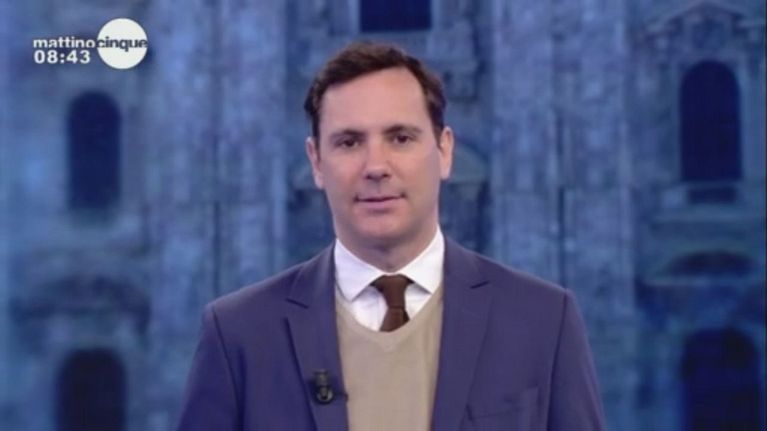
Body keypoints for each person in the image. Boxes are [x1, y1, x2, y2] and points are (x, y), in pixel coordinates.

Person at [177, 41, 605, 430]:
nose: (376, 167)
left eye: (400, 138)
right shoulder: (237, 334)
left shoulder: (545, 320)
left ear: (444, 151)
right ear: (316, 162)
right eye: (349, 143)